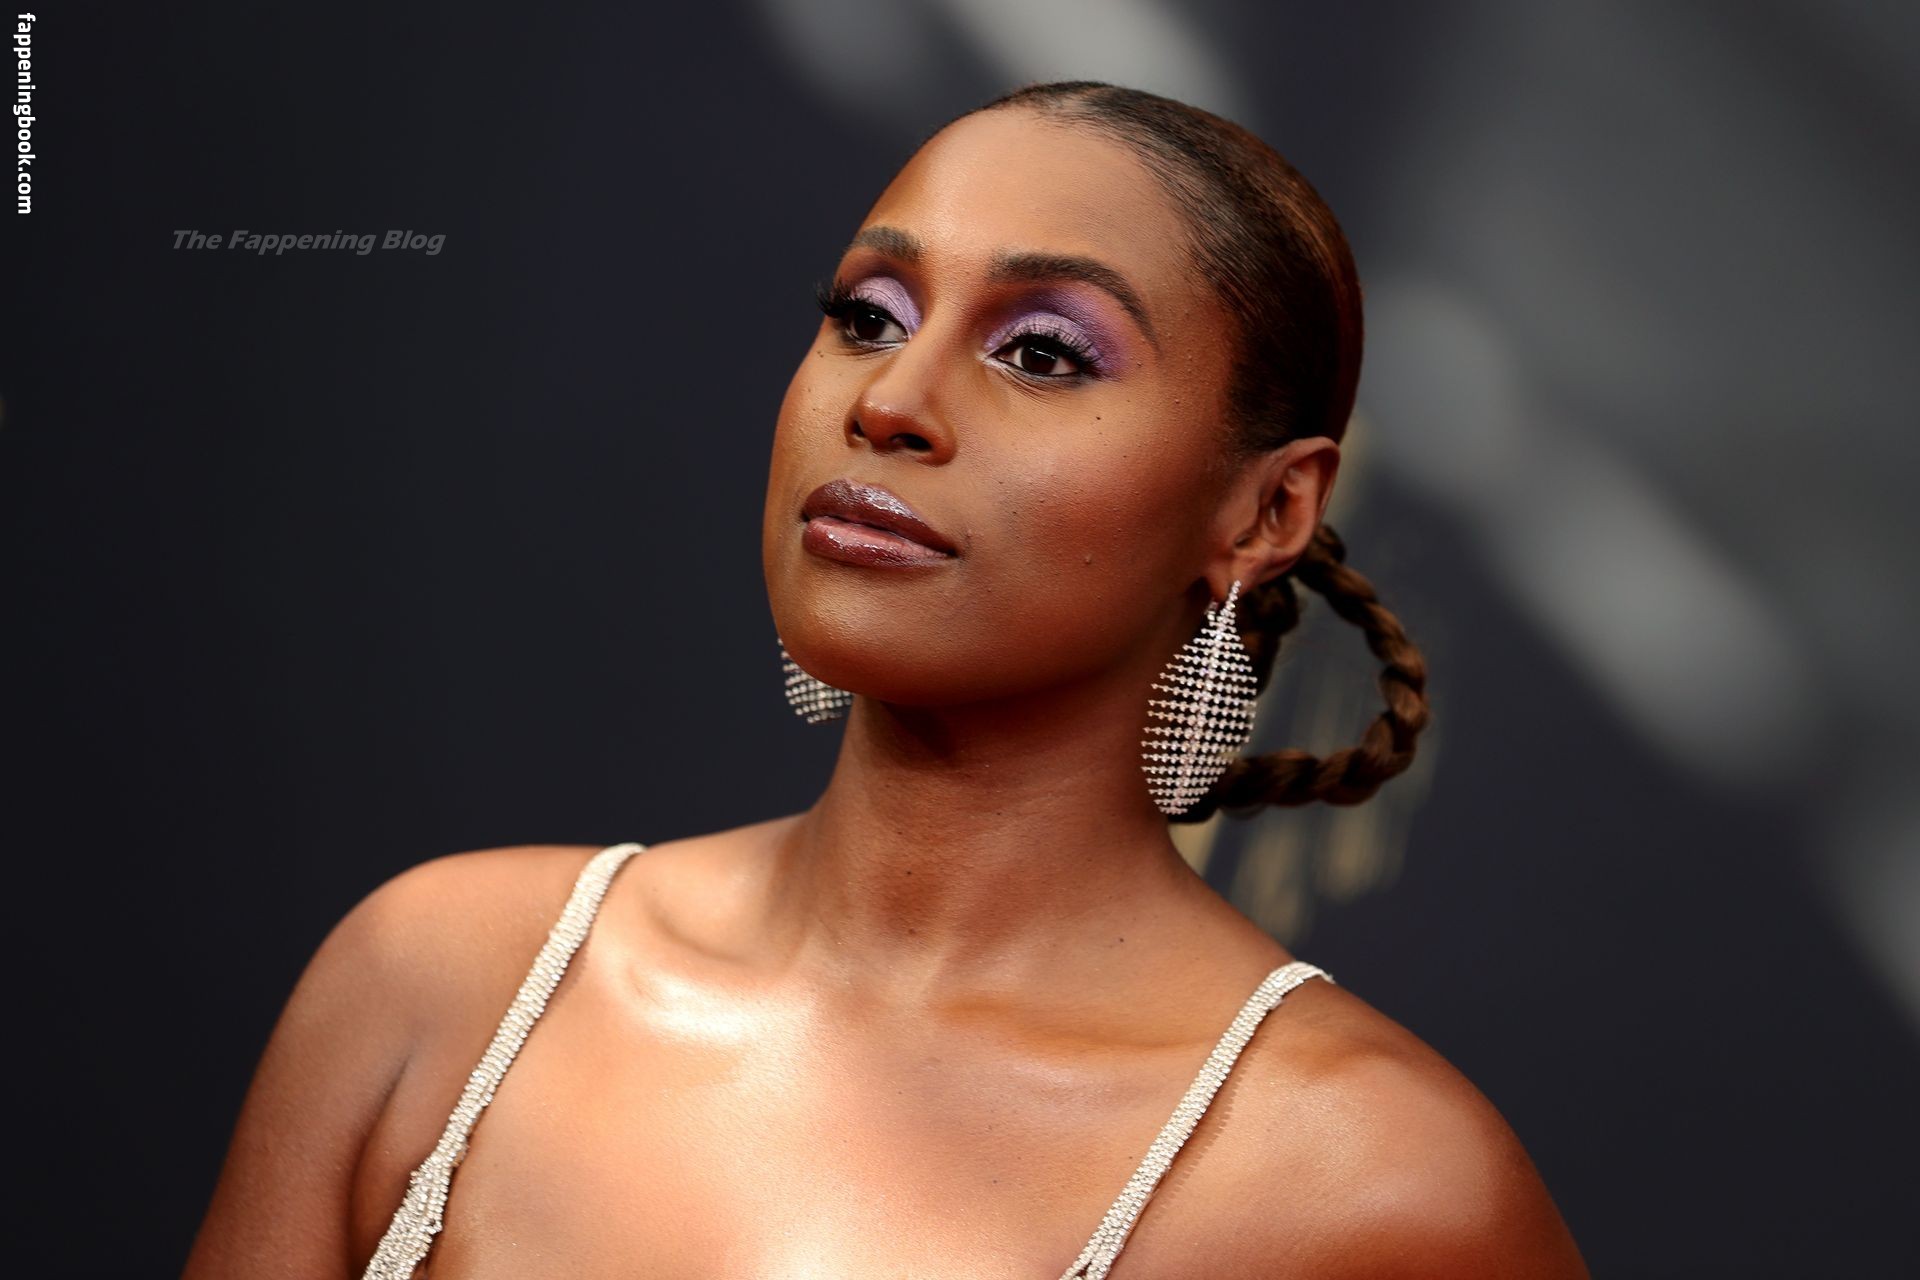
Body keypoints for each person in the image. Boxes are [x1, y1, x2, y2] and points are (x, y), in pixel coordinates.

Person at [184, 81, 1588, 1278]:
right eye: (867, 315)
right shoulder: (442, 985)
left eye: (1043, 353)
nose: (891, 401)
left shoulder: (1366, 1185)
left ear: (1265, 512)